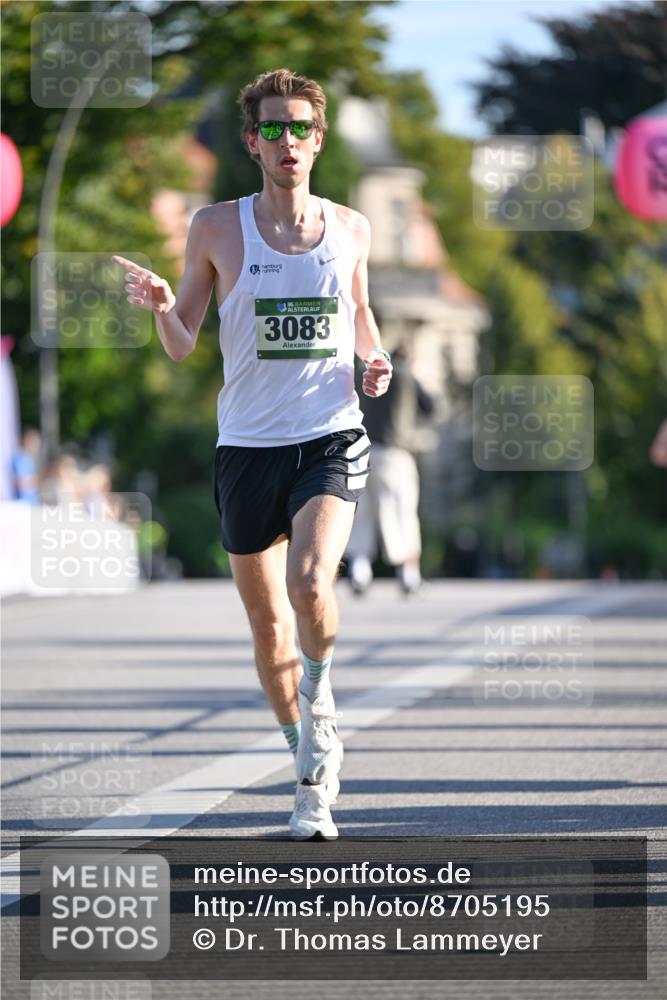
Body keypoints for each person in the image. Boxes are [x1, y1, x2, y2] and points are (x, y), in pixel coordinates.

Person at [113, 68, 392, 840]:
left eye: (300, 126)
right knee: (269, 629)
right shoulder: (213, 227)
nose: (287, 141)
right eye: (272, 128)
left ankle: (320, 728)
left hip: (329, 433)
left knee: (310, 582)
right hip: (245, 446)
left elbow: (361, 318)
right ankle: (302, 754)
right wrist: (166, 308)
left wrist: (376, 362)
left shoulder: (351, 229)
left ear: (318, 138)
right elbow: (181, 346)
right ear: (251, 143)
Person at [346, 341, 435, 595]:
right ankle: (409, 575)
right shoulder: (407, 374)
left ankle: (360, 572)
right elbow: (431, 407)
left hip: (360, 450)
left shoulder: (363, 374)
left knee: (361, 514)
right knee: (402, 513)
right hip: (395, 452)